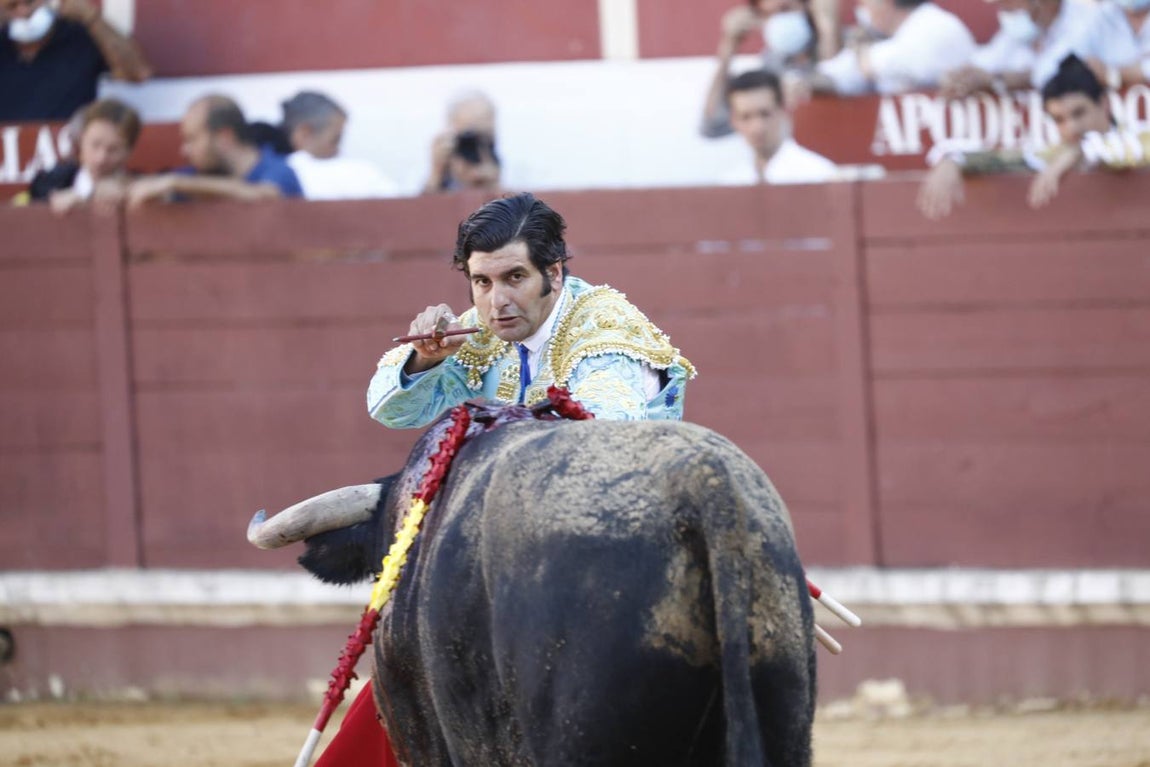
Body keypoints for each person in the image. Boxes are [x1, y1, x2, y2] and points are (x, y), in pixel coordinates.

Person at [368, 192, 695, 428]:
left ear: (552, 274)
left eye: (515, 277)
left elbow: (601, 436)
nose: (497, 301)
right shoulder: (480, 331)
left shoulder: (604, 327)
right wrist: (426, 359)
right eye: (483, 282)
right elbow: (393, 412)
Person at [918, 54, 1136, 218]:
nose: (1072, 128)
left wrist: (1080, 150)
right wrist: (954, 161)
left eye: (1079, 113)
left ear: (1104, 104)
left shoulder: (1138, 134)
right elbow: (1003, 158)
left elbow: (1132, 149)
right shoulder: (1053, 155)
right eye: (1059, 120)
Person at [125, 94, 303, 207]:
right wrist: (112, 186)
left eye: (192, 139)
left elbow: (266, 198)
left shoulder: (279, 171)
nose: (184, 150)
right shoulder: (195, 175)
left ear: (224, 137)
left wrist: (176, 183)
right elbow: (143, 189)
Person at [0, 0, 151, 121]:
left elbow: (138, 73)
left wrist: (91, 17)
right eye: (12, 6)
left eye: (30, 2)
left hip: (73, 151)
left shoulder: (79, 35)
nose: (24, 12)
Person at [940, 0, 1123, 98]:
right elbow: (985, 62)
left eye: (1009, 2)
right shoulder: (1018, 33)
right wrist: (961, 77)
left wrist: (996, 80)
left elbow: (1053, 72)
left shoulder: (1086, 18)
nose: (1003, 9)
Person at [792, 0, 975, 97]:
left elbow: (874, 64)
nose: (862, 9)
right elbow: (840, 75)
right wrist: (802, 83)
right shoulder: (892, 35)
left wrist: (864, 54)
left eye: (865, 3)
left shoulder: (938, 25)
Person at [700, 0, 823, 138]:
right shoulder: (770, 66)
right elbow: (713, 125)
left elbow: (840, 79)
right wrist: (729, 45)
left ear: (807, 5)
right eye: (768, 14)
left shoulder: (842, 45)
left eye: (785, 10)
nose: (779, 21)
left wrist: (828, 27)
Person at [718, 69, 838, 185]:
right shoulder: (731, 181)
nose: (757, 127)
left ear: (782, 110)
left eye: (765, 114)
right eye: (746, 117)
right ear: (733, 120)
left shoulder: (818, 174)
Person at [24, 97, 139, 213]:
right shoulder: (49, 183)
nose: (101, 158)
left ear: (129, 151)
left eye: (113, 149)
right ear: (80, 141)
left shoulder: (137, 184)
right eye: (95, 145)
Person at [280, 90, 401, 200]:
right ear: (304, 134)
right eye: (335, 140)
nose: (338, 150)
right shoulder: (358, 173)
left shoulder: (271, 177)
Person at [422, 90, 504, 194]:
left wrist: (493, 184)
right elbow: (417, 208)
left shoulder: (515, 169)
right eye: (467, 134)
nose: (473, 145)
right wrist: (436, 173)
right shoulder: (431, 168)